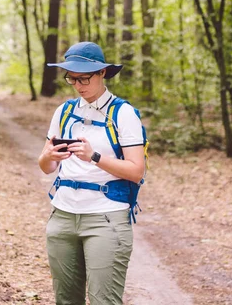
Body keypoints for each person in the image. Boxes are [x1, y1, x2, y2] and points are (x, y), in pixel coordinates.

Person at [38, 41, 145, 305]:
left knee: (103, 301)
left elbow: (136, 171)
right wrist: (49, 156)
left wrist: (94, 157)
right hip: (62, 216)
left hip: (106, 218)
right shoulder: (64, 111)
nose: (78, 85)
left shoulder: (124, 114)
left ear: (103, 73)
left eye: (84, 78)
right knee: (66, 300)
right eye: (71, 79)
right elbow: (46, 166)